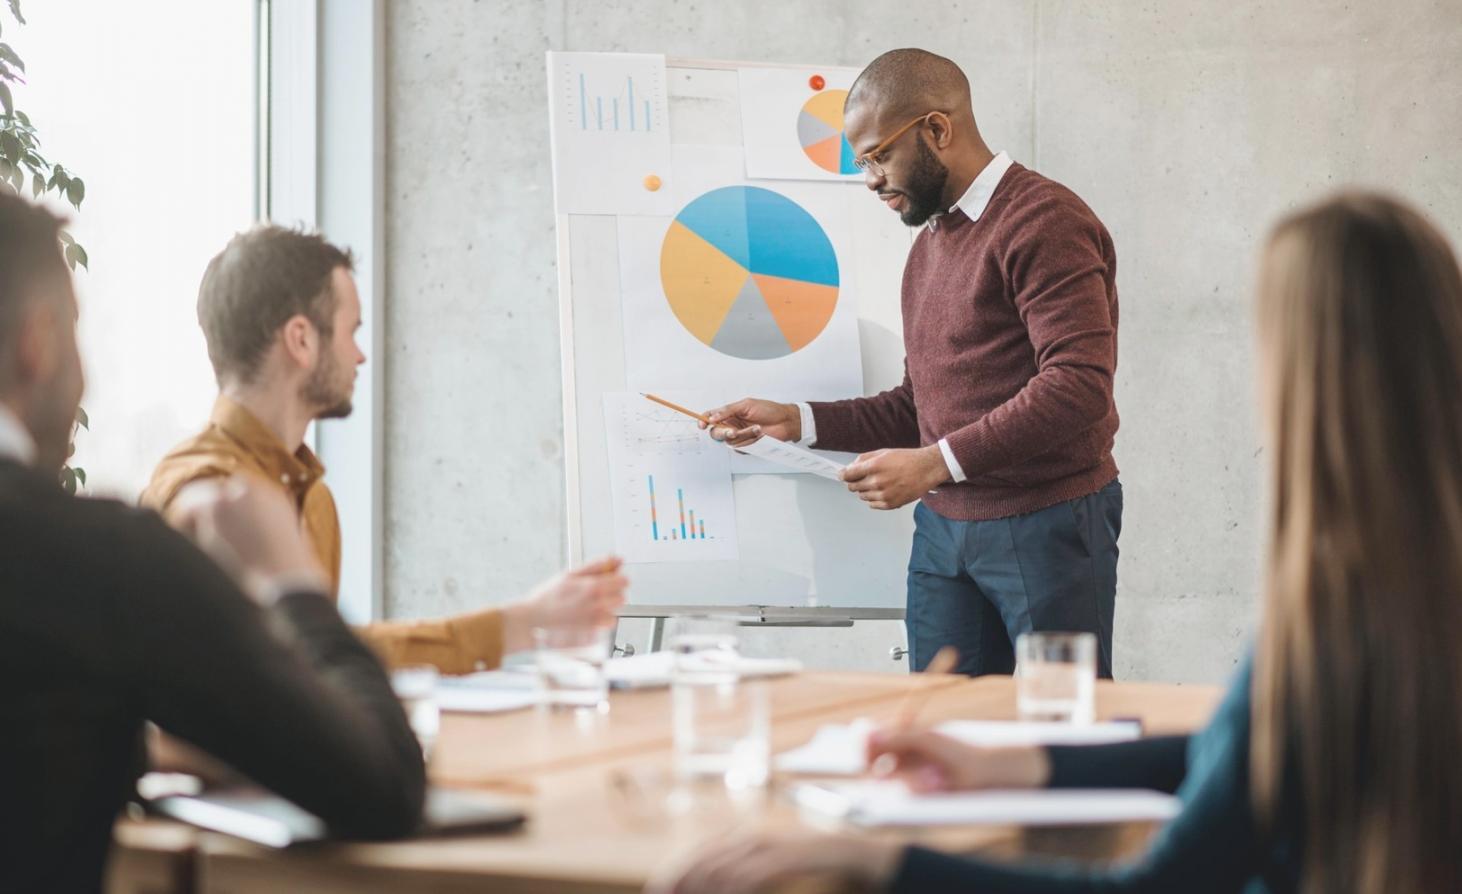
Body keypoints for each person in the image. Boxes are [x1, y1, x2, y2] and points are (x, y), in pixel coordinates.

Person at [655, 191, 1462, 893]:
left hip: (1043, 522)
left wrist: (873, 863)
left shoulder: (1338, 614)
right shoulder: (1408, 591)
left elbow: (1161, 883)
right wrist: (1008, 764)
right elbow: (1243, 752)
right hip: (948, 532)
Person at [0, 194, 427, 892]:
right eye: (76, 332)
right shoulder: (102, 559)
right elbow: (383, 786)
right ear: (36, 342)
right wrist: (293, 584)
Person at [707, 48, 1121, 678]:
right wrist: (796, 420)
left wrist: (933, 463)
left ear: (936, 129)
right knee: (935, 733)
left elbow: (1078, 385)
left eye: (877, 156)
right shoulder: (932, 243)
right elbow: (919, 402)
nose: (869, 177)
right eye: (861, 162)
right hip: (943, 530)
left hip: (1048, 525)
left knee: (1057, 737)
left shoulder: (1045, 220)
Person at [141, 225, 626, 674]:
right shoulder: (204, 492)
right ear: (302, 340)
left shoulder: (315, 500)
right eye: (352, 331)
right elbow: (299, 662)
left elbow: (325, 666)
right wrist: (519, 624)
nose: (360, 355)